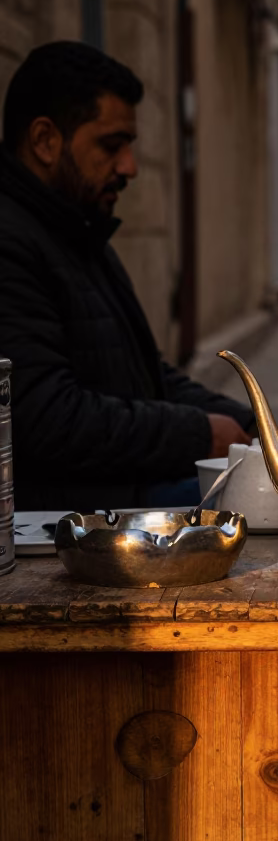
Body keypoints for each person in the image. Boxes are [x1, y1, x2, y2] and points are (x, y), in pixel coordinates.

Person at [0, 41, 254, 512]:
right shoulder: (12, 242)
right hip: (70, 522)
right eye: (110, 146)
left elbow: (150, 378)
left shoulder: (81, 234)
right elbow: (44, 418)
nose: (129, 168)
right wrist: (199, 434)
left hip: (126, 492)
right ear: (44, 141)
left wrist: (255, 424)